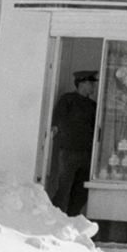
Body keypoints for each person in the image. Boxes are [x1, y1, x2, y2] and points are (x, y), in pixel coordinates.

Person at [47, 71, 97, 216]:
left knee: (82, 191)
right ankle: (55, 218)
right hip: (69, 151)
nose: (93, 86)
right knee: (64, 189)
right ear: (81, 83)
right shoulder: (68, 100)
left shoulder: (93, 105)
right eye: (90, 83)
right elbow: (57, 121)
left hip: (87, 153)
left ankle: (71, 218)